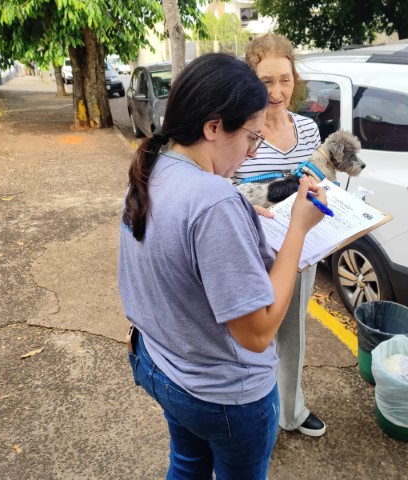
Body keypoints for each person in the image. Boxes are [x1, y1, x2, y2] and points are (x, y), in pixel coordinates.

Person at [118, 53, 326, 479]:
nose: (251, 153)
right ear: (213, 127)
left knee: (187, 466)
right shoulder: (214, 201)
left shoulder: (152, 168)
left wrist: (241, 222)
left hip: (160, 365)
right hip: (221, 395)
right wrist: (298, 229)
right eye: (251, 137)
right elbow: (258, 333)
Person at [233, 33, 326, 437]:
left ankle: (290, 410)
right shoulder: (240, 129)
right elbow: (221, 188)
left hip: (301, 248)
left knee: (292, 333)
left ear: (295, 80)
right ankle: (257, 415)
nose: (276, 92)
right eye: (266, 81)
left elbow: (321, 181)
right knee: (252, 337)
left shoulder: (308, 129)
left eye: (284, 80)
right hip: (252, 252)